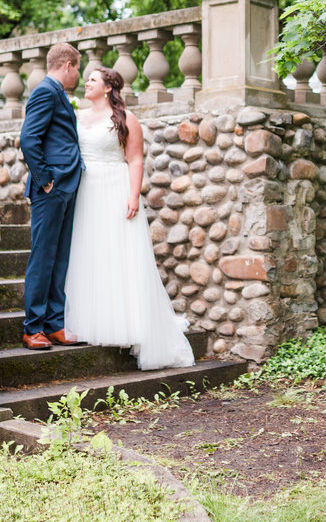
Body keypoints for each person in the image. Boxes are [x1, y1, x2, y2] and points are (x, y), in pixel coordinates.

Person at [64, 67, 195, 370]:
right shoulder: (78, 117)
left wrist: (133, 195)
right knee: (87, 252)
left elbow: (135, 158)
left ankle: (128, 324)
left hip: (115, 188)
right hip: (85, 190)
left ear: (108, 87)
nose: (86, 82)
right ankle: (92, 320)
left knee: (118, 254)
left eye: (93, 79)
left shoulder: (125, 120)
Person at [18, 42, 85, 350]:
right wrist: (46, 180)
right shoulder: (45, 91)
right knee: (43, 258)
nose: (79, 77)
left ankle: (54, 324)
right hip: (52, 188)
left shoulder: (58, 93)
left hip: (66, 186)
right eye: (78, 70)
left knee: (60, 258)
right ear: (67, 65)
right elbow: (28, 138)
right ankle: (32, 327)